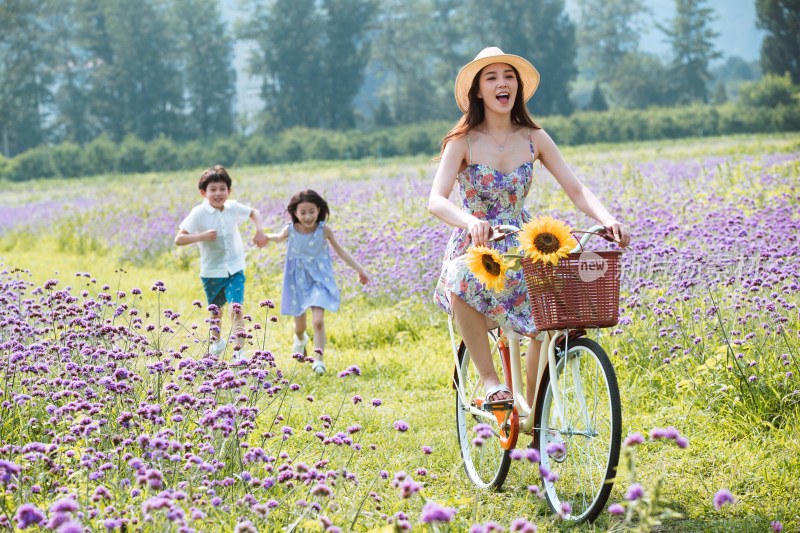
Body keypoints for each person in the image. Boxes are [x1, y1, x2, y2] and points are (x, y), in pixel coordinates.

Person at [428, 47, 630, 407]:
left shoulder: (534, 137)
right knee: (459, 277)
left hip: (522, 239)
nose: (502, 84)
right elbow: (436, 200)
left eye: (509, 77)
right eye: (491, 78)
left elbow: (576, 187)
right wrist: (471, 221)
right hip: (479, 243)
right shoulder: (463, 141)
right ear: (478, 91)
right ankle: (492, 383)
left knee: (553, 310)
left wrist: (607, 219)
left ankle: (536, 413)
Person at [264, 189, 369, 374]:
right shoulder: (291, 230)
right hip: (296, 280)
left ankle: (318, 360)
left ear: (319, 209)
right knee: (300, 327)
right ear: (295, 213)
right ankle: (300, 339)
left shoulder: (324, 230)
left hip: (320, 279)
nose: (308, 216)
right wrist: (263, 237)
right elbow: (277, 238)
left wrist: (359, 269)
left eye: (312, 211)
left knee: (318, 321)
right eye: (302, 212)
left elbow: (341, 251)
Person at [175, 165, 268, 358]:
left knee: (236, 309)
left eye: (222, 189)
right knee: (216, 313)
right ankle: (217, 343)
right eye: (213, 189)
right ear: (203, 192)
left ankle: (240, 351)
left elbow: (254, 212)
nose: (218, 193)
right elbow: (179, 239)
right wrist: (201, 236)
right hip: (211, 272)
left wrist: (259, 230)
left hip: (235, 269)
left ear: (229, 191)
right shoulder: (198, 213)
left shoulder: (233, 207)